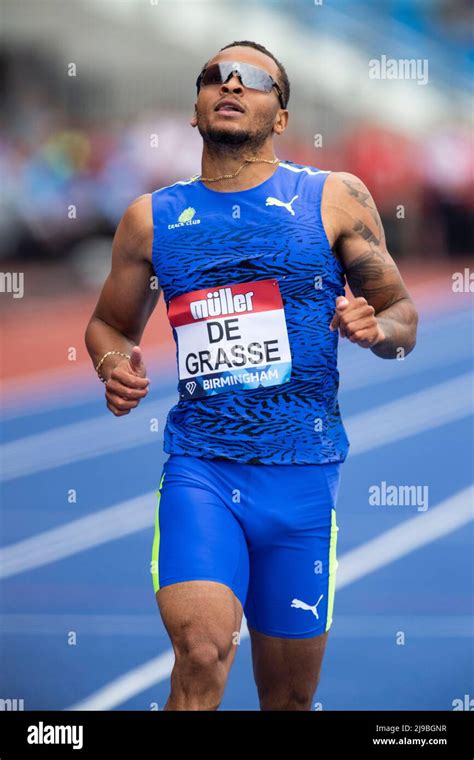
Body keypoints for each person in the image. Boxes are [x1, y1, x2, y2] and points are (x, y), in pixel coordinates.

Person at [85, 40, 418, 711]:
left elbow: (402, 317)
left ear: (282, 115)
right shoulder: (150, 220)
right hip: (201, 468)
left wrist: (375, 330)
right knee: (203, 651)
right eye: (216, 77)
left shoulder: (334, 198)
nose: (231, 84)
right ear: (195, 108)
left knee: (289, 697)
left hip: (303, 476)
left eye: (255, 79)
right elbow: (109, 325)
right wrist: (112, 363)